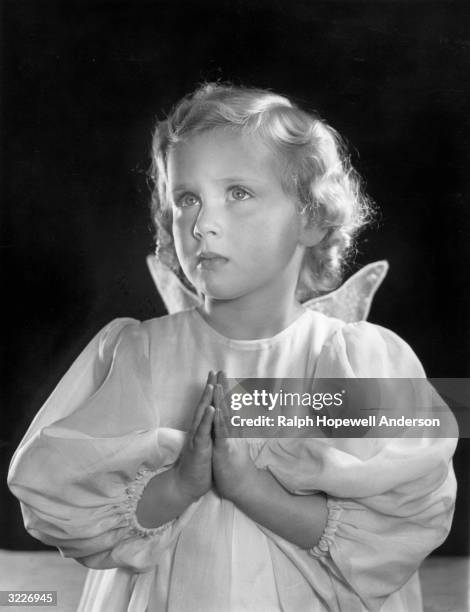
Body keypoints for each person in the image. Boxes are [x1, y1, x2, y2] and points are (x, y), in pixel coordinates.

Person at [8, 83, 457, 612]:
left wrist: (250, 488)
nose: (202, 224)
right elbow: (63, 502)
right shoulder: (139, 355)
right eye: (186, 198)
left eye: (238, 193)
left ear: (311, 218)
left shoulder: (358, 364)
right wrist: (180, 484)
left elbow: (390, 534)